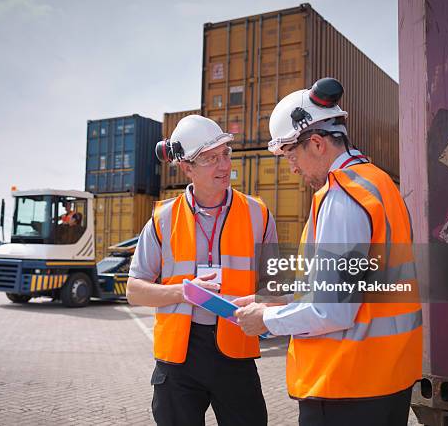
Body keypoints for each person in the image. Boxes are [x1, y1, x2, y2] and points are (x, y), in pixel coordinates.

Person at [235, 78, 422, 426]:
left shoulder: (342, 198)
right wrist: (281, 300)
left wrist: (265, 320)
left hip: (346, 386)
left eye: (291, 154)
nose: (291, 167)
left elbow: (332, 311)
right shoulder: (379, 183)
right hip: (386, 377)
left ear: (317, 143)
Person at [126, 114, 277, 426]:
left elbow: (273, 286)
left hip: (235, 351)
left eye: (225, 154)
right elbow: (134, 290)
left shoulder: (258, 215)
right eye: (210, 159)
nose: (224, 166)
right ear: (187, 167)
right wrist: (184, 291)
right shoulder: (162, 219)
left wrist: (258, 304)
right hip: (179, 359)